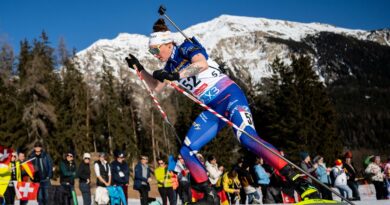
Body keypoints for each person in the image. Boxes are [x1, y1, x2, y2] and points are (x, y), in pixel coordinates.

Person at [125, 18, 313, 203]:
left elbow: (201, 64)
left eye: (155, 50)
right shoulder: (168, 66)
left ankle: (300, 181)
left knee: (246, 137)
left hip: (229, 95)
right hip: (213, 109)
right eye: (151, 51)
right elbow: (155, 88)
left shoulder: (186, 46)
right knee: (187, 150)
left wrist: (176, 75)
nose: (154, 54)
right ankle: (210, 195)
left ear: (167, 43)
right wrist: (140, 69)